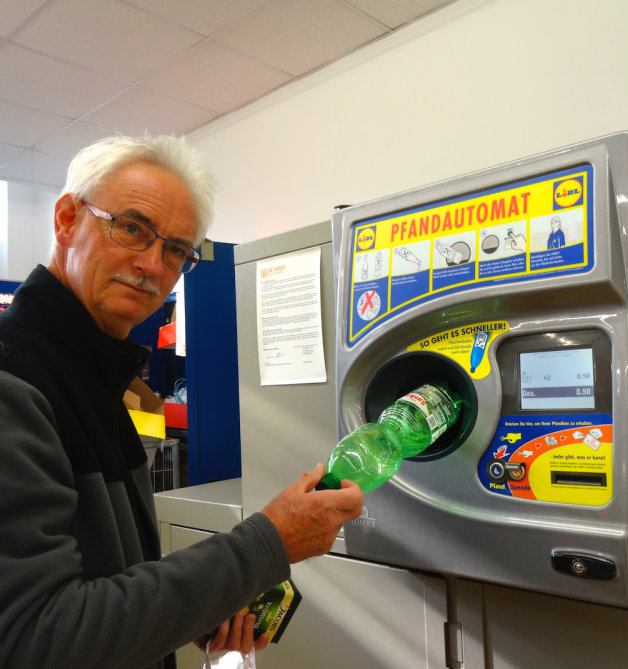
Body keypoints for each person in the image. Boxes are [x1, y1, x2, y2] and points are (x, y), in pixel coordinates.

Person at [0, 135, 363, 669]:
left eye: (175, 250)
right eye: (131, 228)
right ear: (66, 219)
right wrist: (268, 544)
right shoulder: (14, 384)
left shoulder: (91, 377)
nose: (152, 265)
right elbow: (37, 638)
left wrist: (200, 604)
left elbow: (105, 577)